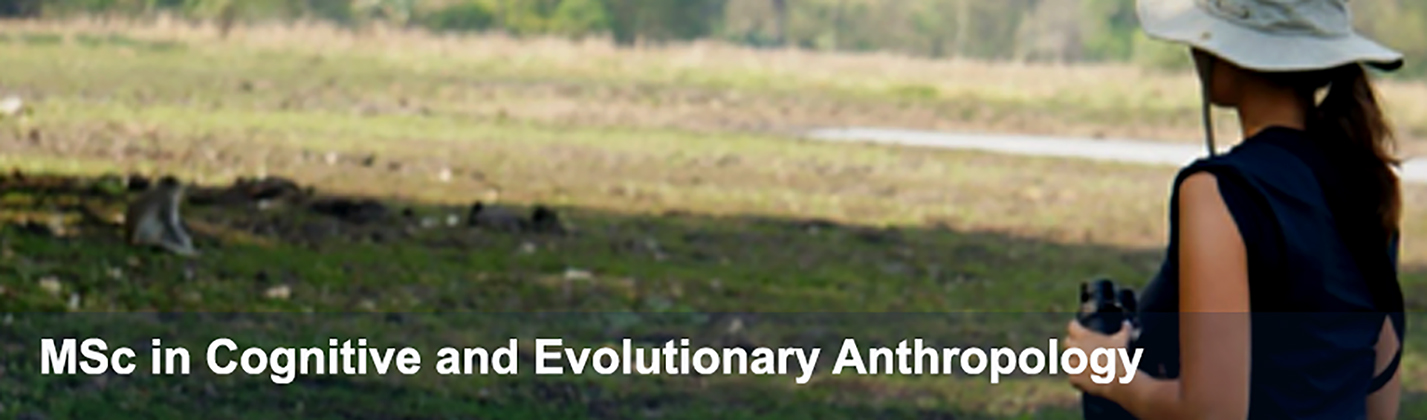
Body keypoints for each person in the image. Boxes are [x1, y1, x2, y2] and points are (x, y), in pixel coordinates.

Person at [1063, 0, 1408, 419]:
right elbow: (1379, 405)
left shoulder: (1219, 192)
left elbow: (1213, 412)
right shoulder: (1367, 182)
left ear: (1228, 54)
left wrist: (1113, 379)